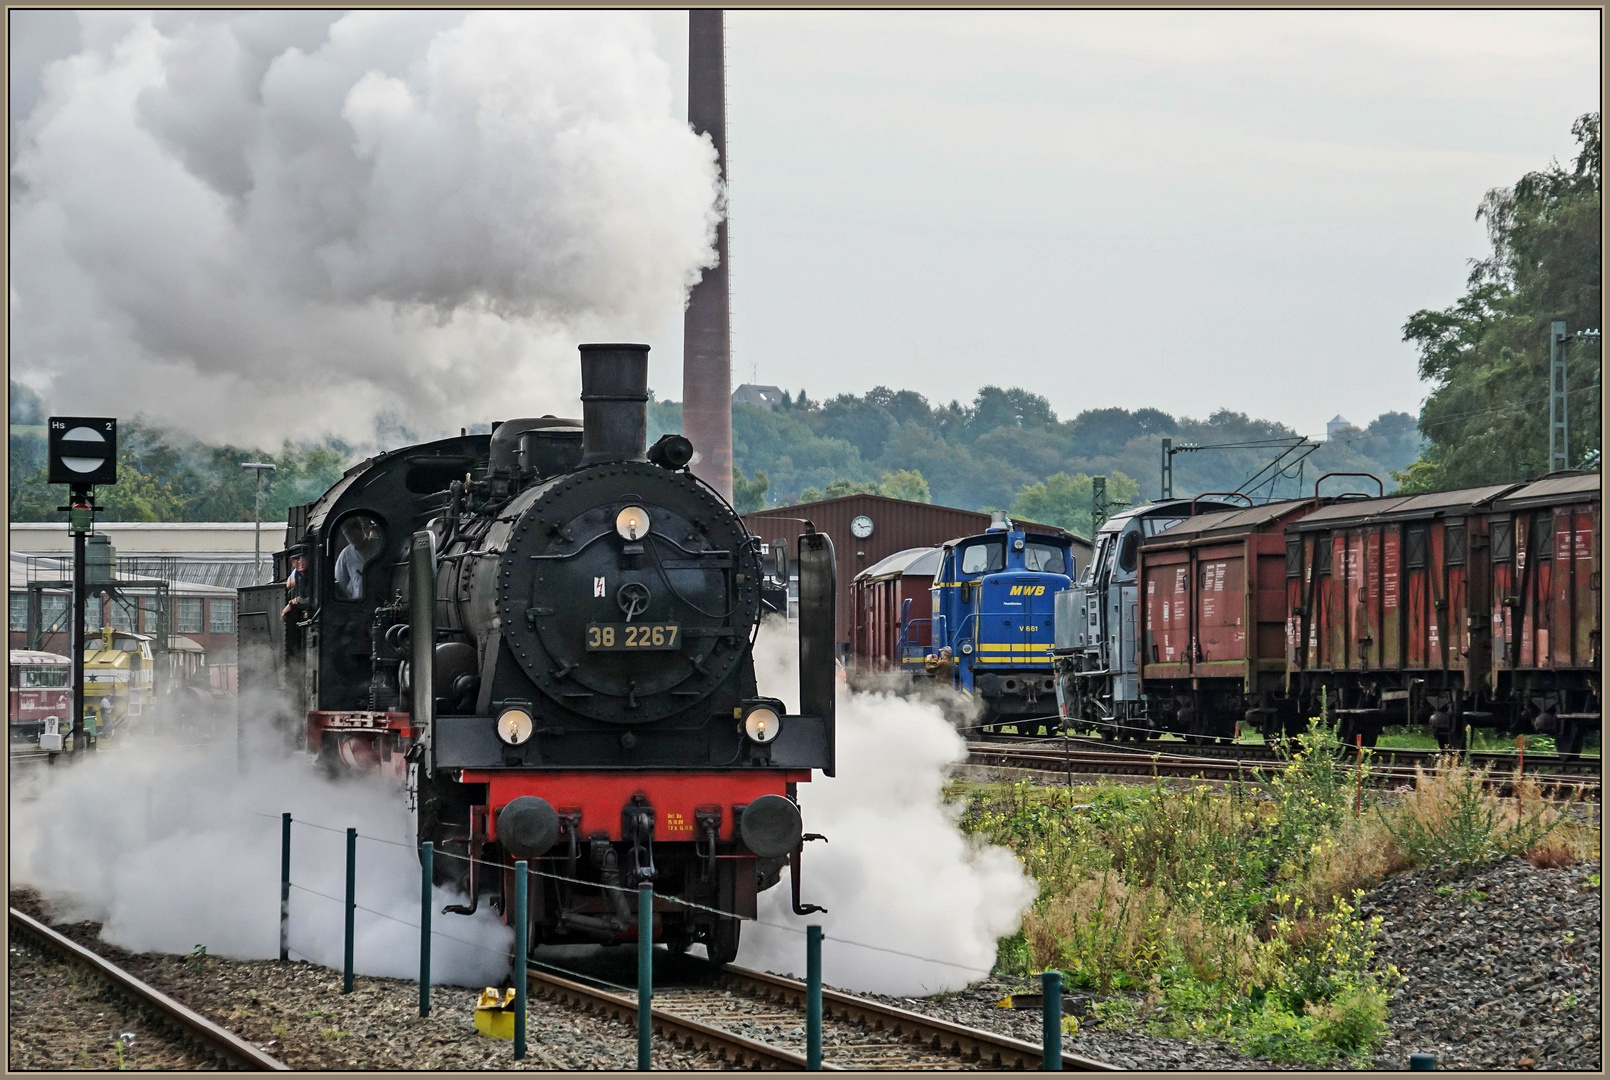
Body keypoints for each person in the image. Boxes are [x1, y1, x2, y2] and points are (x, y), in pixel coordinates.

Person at [335, 519, 370, 600]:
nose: (351, 537)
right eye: (347, 533)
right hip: (358, 604)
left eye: (352, 531)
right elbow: (340, 585)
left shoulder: (378, 546)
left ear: (361, 529)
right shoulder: (346, 555)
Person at [282, 551, 308, 622]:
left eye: (303, 557)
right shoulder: (298, 575)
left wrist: (293, 604)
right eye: (296, 558)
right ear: (292, 562)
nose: (300, 561)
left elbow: (318, 598)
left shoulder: (317, 573)